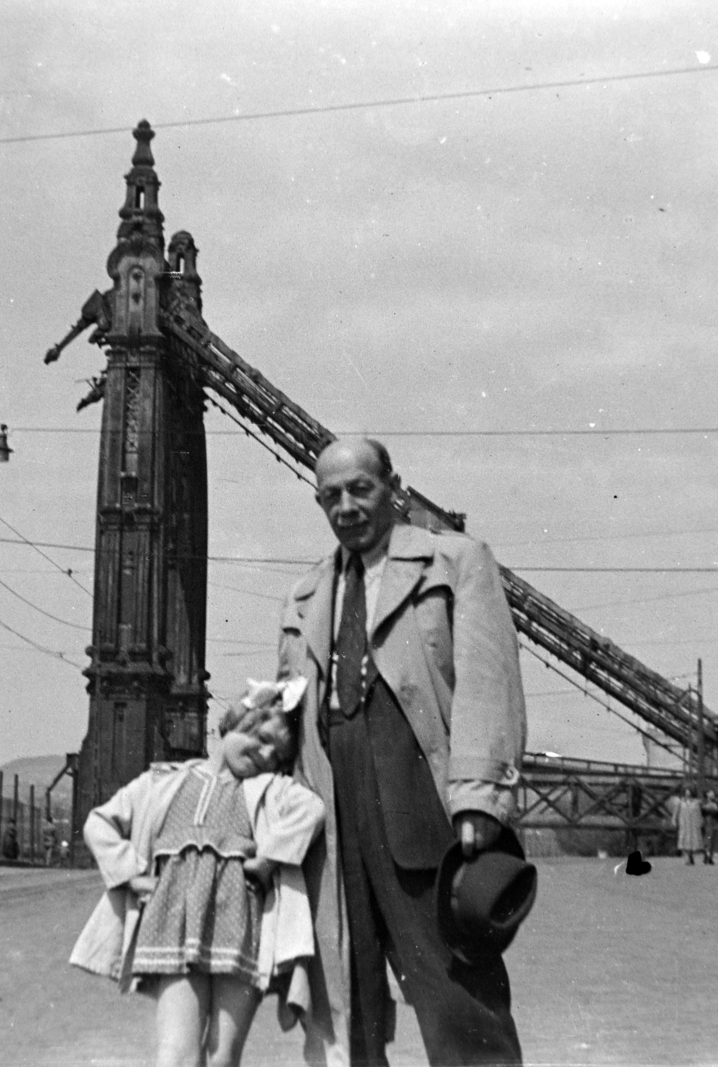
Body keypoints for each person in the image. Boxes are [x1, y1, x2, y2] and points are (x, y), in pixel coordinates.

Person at [280, 438, 527, 1066]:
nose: (347, 507)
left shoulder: (455, 562)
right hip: (335, 822)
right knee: (349, 1009)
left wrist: (477, 795)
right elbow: (288, 715)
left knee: (459, 1002)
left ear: (394, 486)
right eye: (330, 497)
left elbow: (486, 681)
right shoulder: (305, 597)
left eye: (360, 489)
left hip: (424, 809)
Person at [70, 681, 326, 1067]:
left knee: (222, 1057)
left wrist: (268, 858)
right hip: (172, 926)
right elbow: (98, 823)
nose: (265, 753)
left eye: (277, 754)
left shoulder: (269, 790)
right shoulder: (161, 783)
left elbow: (312, 809)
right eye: (260, 737)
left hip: (242, 930)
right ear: (233, 723)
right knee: (176, 1055)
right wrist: (131, 874)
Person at [675, 788, 705, 865]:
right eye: (686, 792)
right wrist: (674, 820)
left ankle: (691, 856)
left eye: (689, 792)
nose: (688, 794)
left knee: (693, 841)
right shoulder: (681, 802)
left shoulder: (696, 802)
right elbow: (676, 812)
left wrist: (700, 821)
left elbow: (699, 813)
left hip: (693, 824)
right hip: (684, 823)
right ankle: (687, 857)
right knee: (684, 840)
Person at [702, 790, 718, 865]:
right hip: (707, 823)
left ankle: (710, 857)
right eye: (710, 793)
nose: (712, 795)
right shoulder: (704, 803)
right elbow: (703, 813)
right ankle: (706, 854)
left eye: (713, 794)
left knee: (713, 841)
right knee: (708, 840)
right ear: (707, 795)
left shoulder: (717, 804)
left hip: (715, 823)